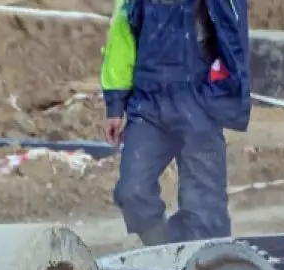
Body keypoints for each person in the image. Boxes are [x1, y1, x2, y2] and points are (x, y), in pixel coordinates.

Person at [101, 0, 251, 246]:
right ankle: (165, 255)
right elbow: (122, 39)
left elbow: (235, 39)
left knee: (204, 213)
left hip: (197, 103)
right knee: (132, 192)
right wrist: (115, 103)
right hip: (147, 105)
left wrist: (219, 97)